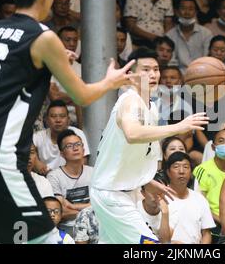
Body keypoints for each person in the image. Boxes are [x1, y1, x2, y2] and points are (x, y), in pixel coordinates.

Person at [0, 0, 138, 244]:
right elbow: (82, 95)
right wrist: (111, 81)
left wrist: (55, 59)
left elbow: (7, 70)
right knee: (45, 240)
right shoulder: (43, 36)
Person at [89, 47, 209, 244]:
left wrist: (146, 180)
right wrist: (178, 126)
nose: (153, 74)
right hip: (111, 194)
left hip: (125, 190)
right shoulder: (130, 101)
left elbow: (139, 152)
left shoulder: (151, 107)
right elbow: (132, 133)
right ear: (130, 74)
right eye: (145, 69)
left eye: (155, 69)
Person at [193, 128, 225, 243]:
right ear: (213, 147)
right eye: (221, 141)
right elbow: (199, 203)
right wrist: (223, 221)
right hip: (212, 224)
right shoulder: (202, 169)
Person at [46, 129, 92, 236]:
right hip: (68, 229)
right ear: (62, 153)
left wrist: (73, 206)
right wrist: (92, 208)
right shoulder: (54, 176)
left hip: (94, 225)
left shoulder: (93, 172)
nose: (75, 148)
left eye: (78, 144)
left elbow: (102, 205)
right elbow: (61, 212)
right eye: (69, 146)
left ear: (84, 149)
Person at [163, 152, 215, 244]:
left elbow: (206, 233)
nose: (181, 171)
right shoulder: (161, 197)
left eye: (186, 167)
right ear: (168, 172)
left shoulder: (199, 199)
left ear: (191, 172)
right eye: (176, 167)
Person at [33, 100, 90, 174]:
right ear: (46, 120)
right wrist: (36, 162)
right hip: (45, 178)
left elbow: (83, 162)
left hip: (71, 178)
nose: (58, 120)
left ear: (68, 120)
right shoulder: (39, 136)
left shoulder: (77, 134)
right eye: (53, 116)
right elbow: (28, 151)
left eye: (62, 116)